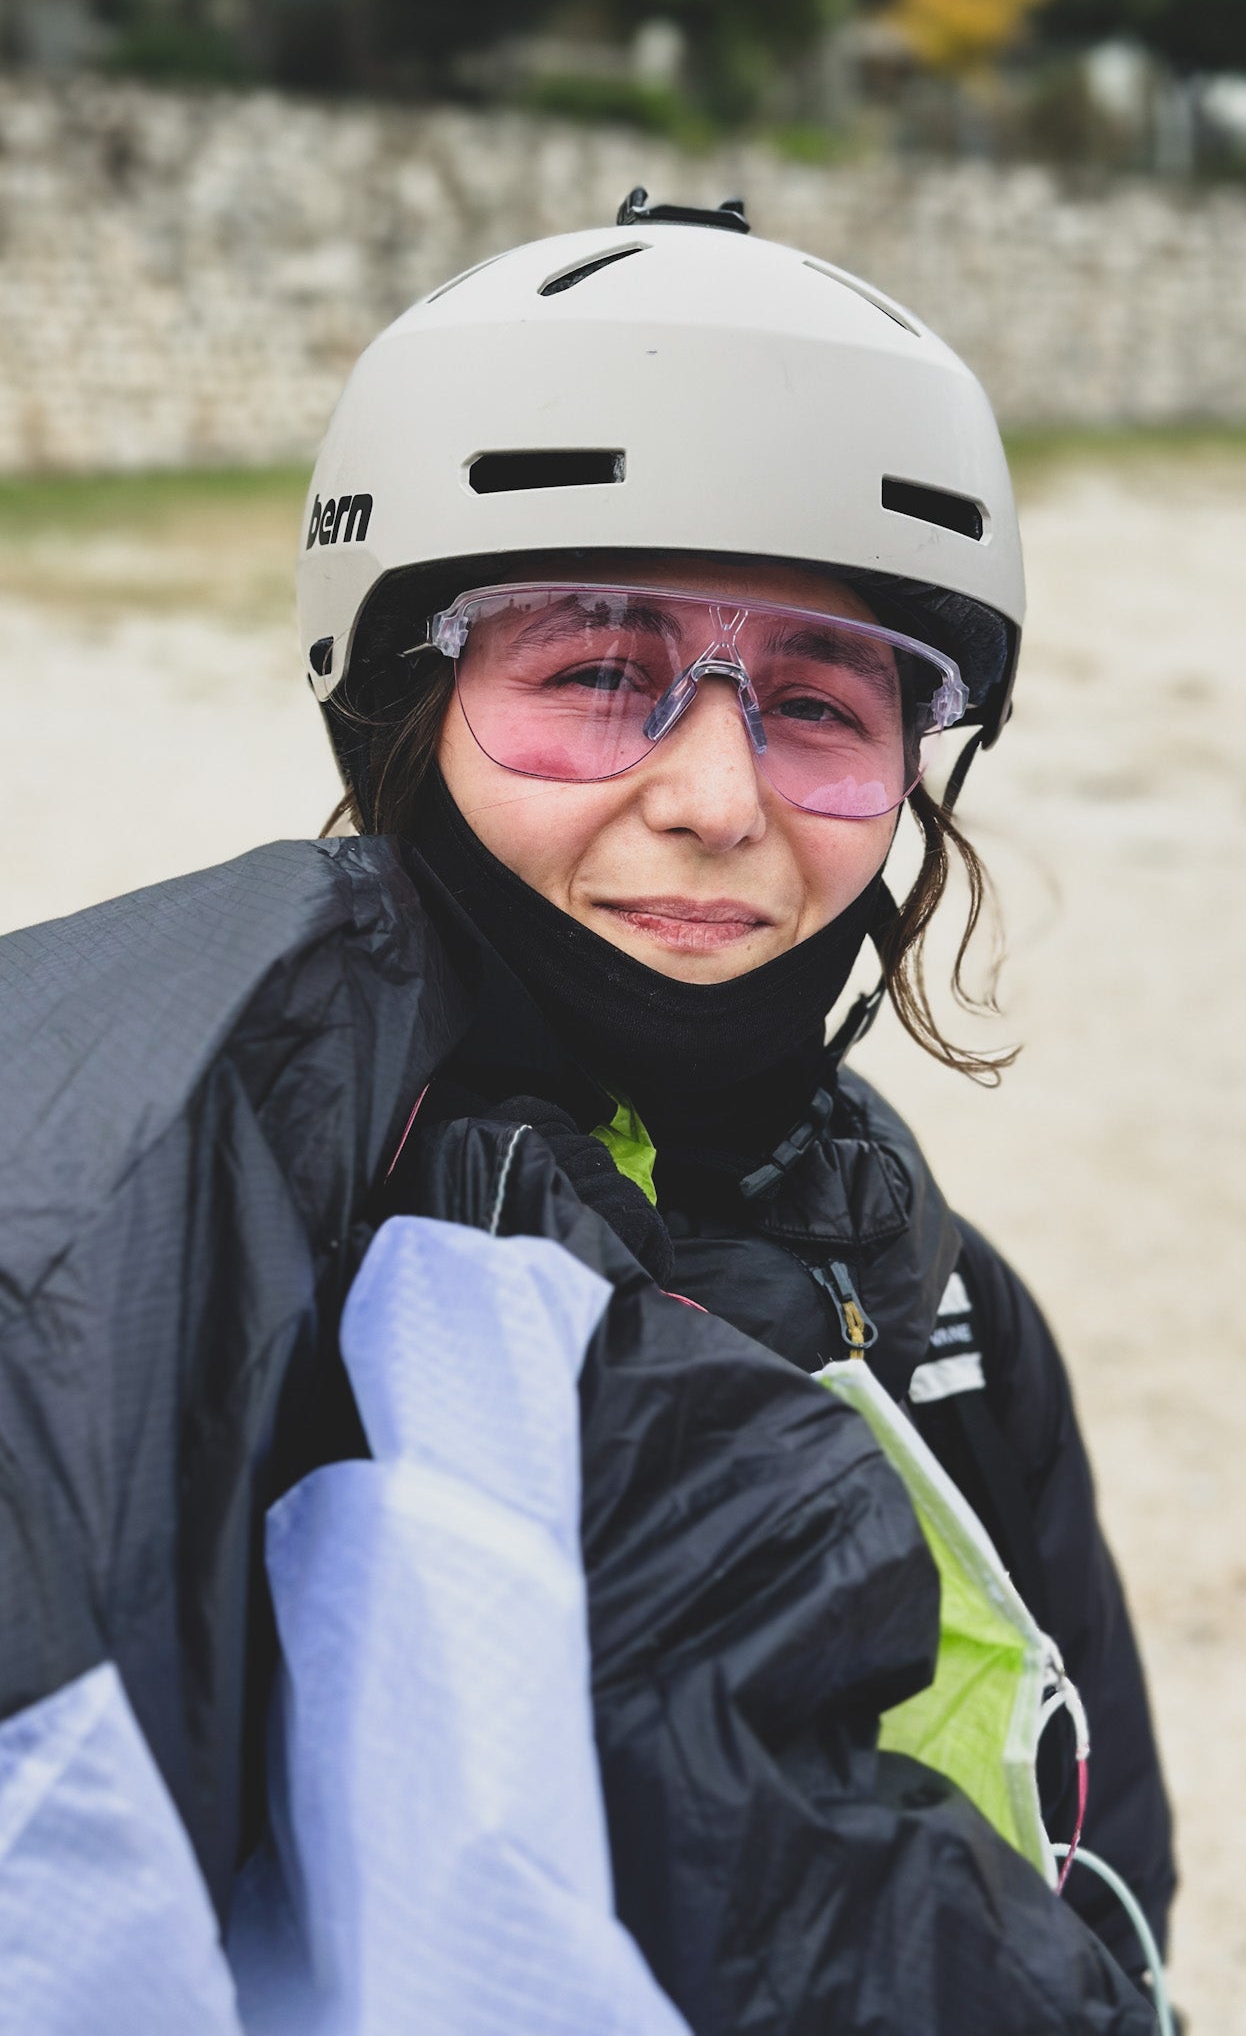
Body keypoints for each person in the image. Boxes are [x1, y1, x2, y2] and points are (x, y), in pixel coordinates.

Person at [0, 190, 1172, 2034]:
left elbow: (1097, 1874)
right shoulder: (201, 1266)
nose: (714, 795)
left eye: (819, 702)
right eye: (598, 675)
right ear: (408, 707)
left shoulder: (946, 1321)